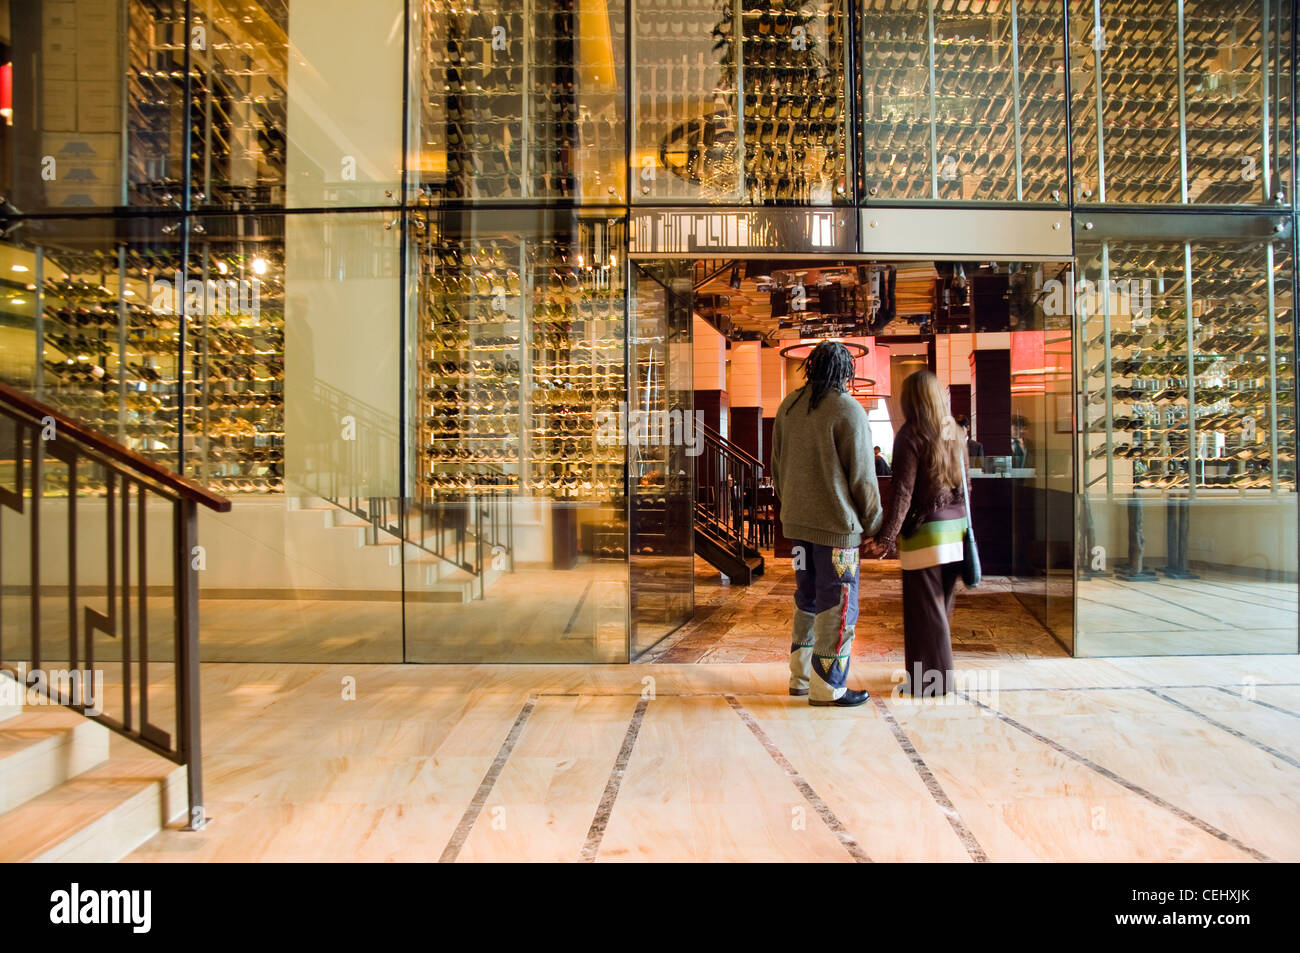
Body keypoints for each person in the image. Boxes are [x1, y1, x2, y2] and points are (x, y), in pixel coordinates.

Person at [771, 341, 883, 707]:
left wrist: (791, 506)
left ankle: (800, 679)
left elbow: (775, 468)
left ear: (811, 367)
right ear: (846, 371)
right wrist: (876, 524)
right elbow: (864, 480)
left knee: (806, 600)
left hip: (797, 528)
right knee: (837, 605)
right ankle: (828, 686)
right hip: (837, 533)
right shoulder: (848, 410)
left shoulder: (787, 406)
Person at [865, 370, 967, 697]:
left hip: (925, 535)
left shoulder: (910, 434)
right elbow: (966, 486)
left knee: (925, 613)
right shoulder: (953, 429)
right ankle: (932, 678)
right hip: (956, 530)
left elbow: (903, 493)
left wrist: (884, 539)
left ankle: (929, 683)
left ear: (910, 399)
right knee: (940, 608)